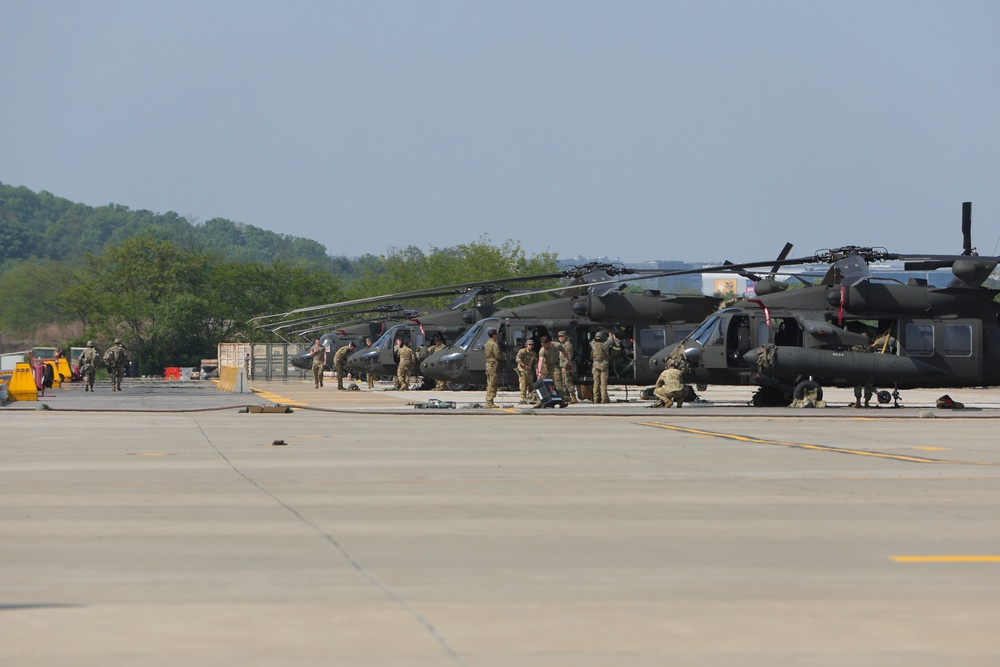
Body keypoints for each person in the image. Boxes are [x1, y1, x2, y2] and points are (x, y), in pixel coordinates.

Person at [536, 335, 571, 402]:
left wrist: (569, 361)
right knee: (542, 383)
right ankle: (540, 401)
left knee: (558, 383)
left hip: (555, 366)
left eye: (544, 344)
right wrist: (539, 372)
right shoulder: (542, 350)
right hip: (546, 367)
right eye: (542, 344)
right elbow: (540, 361)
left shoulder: (557, 345)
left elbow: (565, 352)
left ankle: (561, 400)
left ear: (548, 343)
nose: (543, 346)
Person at [590, 331, 617, 404]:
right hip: (604, 366)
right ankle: (604, 399)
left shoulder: (593, 344)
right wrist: (610, 335)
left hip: (595, 365)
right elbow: (611, 341)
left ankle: (595, 399)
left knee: (596, 383)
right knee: (603, 383)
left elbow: (592, 341)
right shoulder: (605, 345)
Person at [556, 330, 578, 404]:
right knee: (563, 383)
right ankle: (566, 397)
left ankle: (573, 397)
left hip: (566, 366)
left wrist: (565, 367)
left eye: (562, 336)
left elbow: (568, 357)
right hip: (561, 365)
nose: (560, 338)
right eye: (559, 336)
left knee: (567, 381)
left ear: (565, 336)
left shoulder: (567, 345)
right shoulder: (561, 345)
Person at [514, 338, 538, 404]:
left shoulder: (533, 353)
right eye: (529, 344)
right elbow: (518, 359)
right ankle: (523, 399)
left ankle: (530, 398)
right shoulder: (522, 351)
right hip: (522, 370)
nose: (531, 346)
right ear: (526, 345)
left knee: (530, 385)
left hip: (529, 370)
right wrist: (524, 365)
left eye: (532, 345)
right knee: (523, 384)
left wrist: (537, 371)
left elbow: (535, 363)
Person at [484, 328, 502, 408]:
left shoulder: (487, 343)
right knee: (493, 383)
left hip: (488, 364)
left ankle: (488, 401)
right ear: (494, 335)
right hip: (493, 365)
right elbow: (497, 355)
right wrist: (503, 357)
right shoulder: (494, 344)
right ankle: (490, 402)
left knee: (489, 383)